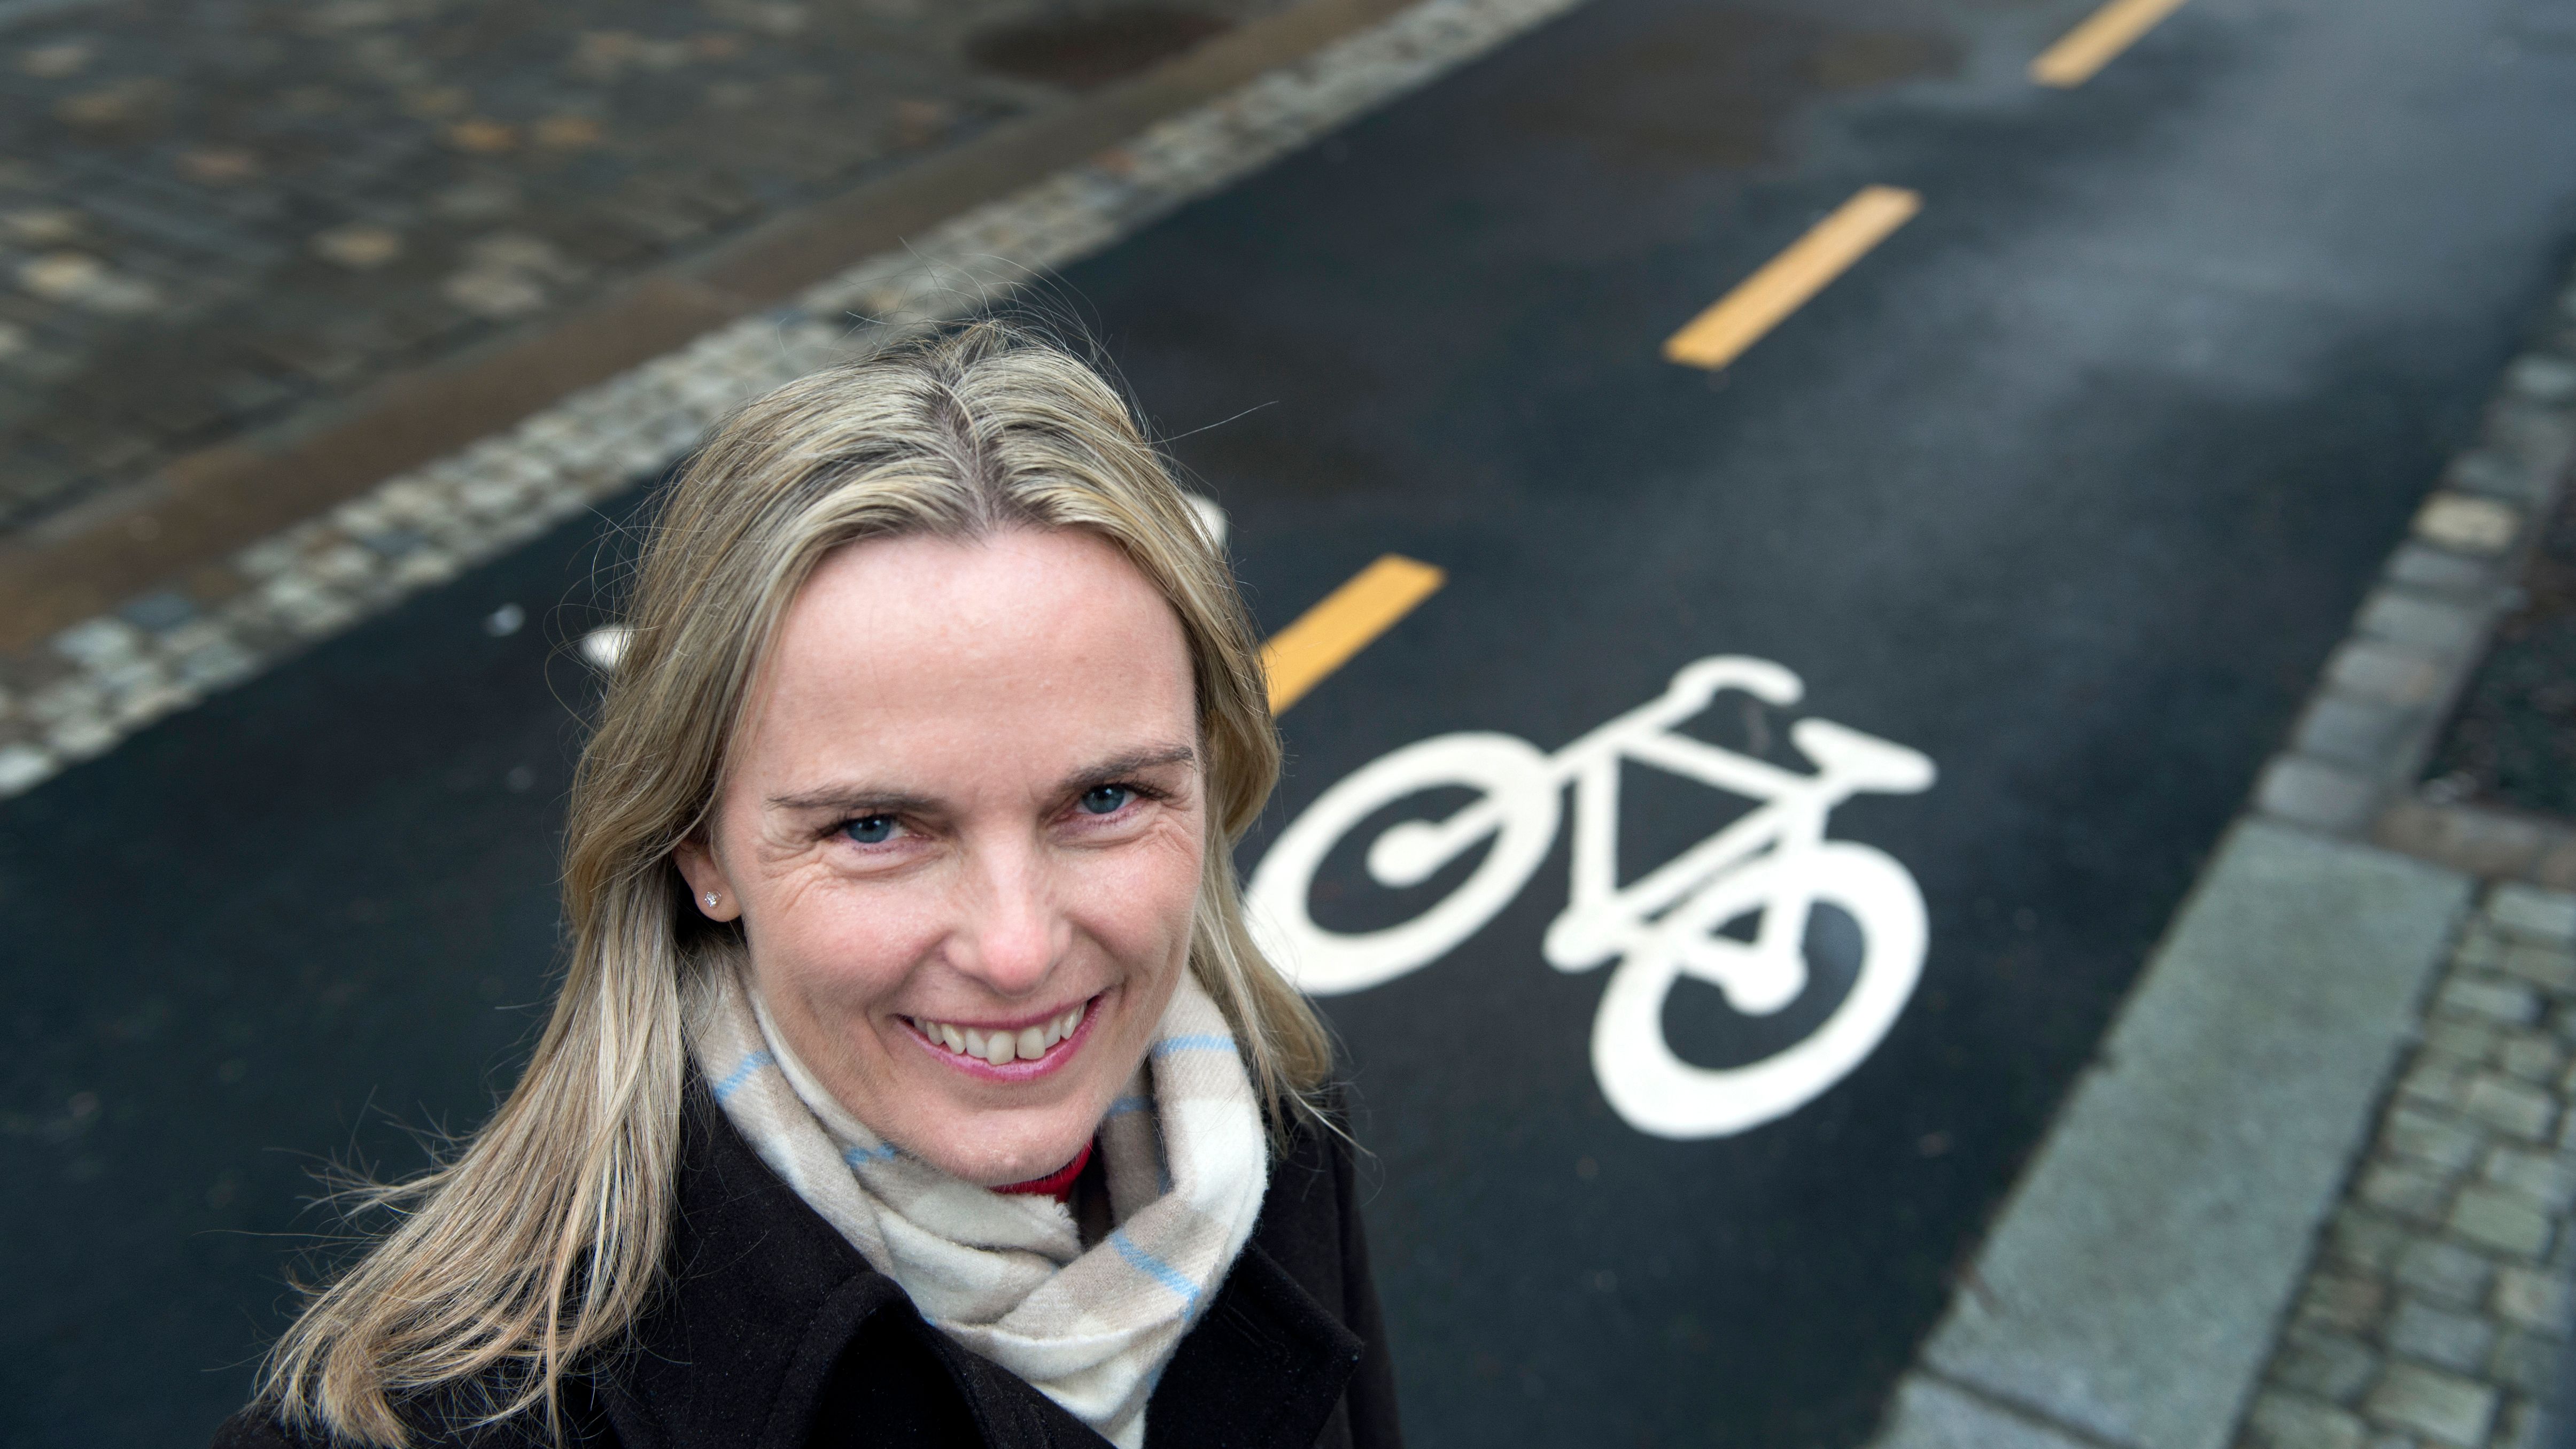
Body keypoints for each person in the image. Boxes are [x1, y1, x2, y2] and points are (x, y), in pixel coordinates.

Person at [216, 323, 1402, 1449]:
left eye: (1105, 798)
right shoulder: (458, 1421)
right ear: (698, 847)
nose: (1016, 952)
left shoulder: (1274, 1131)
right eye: (875, 827)